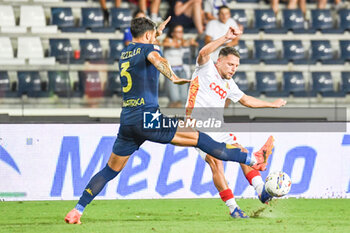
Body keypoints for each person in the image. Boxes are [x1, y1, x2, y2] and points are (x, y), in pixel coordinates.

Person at [64, 18, 271, 224]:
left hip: (128, 120)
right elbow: (156, 59)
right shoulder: (149, 51)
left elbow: (146, 48)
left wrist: (157, 33)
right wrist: (172, 76)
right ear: (147, 35)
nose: (155, 37)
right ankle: (253, 160)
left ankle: (77, 210)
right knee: (200, 138)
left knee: (110, 170)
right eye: (153, 34)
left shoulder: (125, 53)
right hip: (149, 118)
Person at [185, 30, 287, 218]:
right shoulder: (205, 68)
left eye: (236, 66)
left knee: (242, 152)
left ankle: (261, 191)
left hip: (218, 126)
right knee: (216, 163)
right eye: (230, 64)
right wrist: (225, 38)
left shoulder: (229, 83)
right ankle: (234, 208)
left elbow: (246, 100)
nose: (233, 69)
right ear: (219, 61)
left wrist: (271, 105)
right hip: (196, 126)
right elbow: (203, 53)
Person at [162, 24, 198, 107]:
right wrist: (180, 44)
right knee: (174, 97)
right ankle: (168, 117)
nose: (180, 34)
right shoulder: (168, 40)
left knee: (183, 97)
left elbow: (192, 43)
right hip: (171, 71)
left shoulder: (182, 41)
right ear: (172, 33)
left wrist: (192, 42)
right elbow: (165, 44)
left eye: (181, 32)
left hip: (181, 69)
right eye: (178, 32)